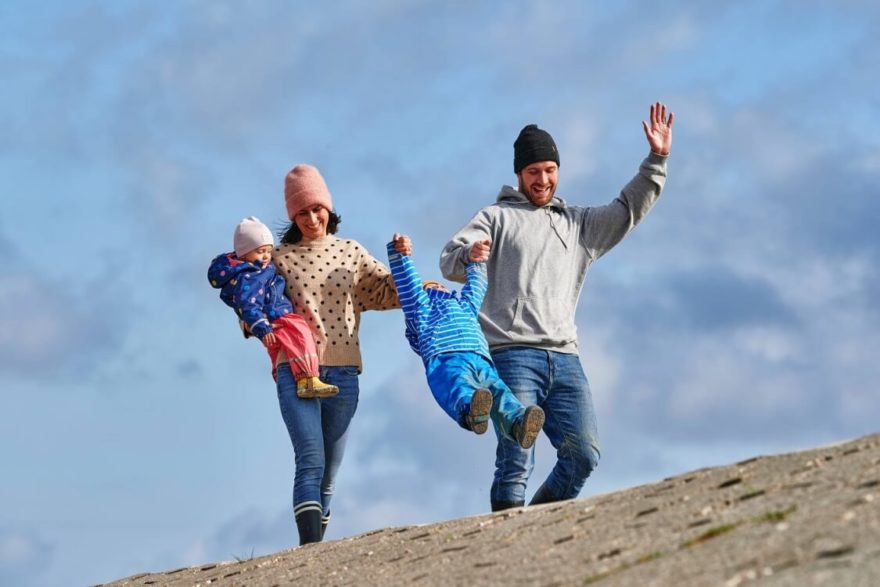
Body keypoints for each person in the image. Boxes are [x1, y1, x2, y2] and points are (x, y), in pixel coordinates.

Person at [440, 102, 674, 511]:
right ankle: (502, 545)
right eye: (534, 172)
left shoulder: (576, 223)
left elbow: (627, 210)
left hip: (566, 357)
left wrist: (657, 160)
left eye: (550, 170)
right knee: (516, 458)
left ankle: (538, 524)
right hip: (511, 355)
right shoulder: (495, 217)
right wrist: (470, 256)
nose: (543, 179)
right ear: (519, 175)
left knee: (584, 454)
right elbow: (448, 259)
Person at [272, 164, 401, 545]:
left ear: (329, 208)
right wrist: (252, 324)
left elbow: (383, 291)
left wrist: (409, 273)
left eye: (317, 209)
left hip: (343, 370)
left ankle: (317, 555)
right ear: (292, 216)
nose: (312, 219)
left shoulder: (351, 251)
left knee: (329, 469)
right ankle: (309, 551)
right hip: (296, 370)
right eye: (302, 213)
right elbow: (253, 301)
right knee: (310, 458)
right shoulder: (279, 259)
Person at [385, 233, 545, 448]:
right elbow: (408, 283)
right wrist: (399, 254)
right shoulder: (421, 306)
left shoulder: (464, 305)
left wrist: (476, 262)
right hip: (446, 356)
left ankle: (517, 423)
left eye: (440, 286)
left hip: (479, 357)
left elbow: (477, 287)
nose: (438, 287)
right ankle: (470, 411)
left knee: (499, 390)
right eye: (431, 286)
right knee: (458, 385)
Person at [208, 216, 339, 398]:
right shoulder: (251, 276)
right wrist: (261, 327)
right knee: (301, 334)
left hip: (273, 315)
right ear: (244, 253)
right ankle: (308, 378)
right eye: (260, 251)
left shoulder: (258, 270)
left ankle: (292, 379)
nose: (266, 256)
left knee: (282, 347)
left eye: (268, 251)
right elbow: (248, 304)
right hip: (276, 315)